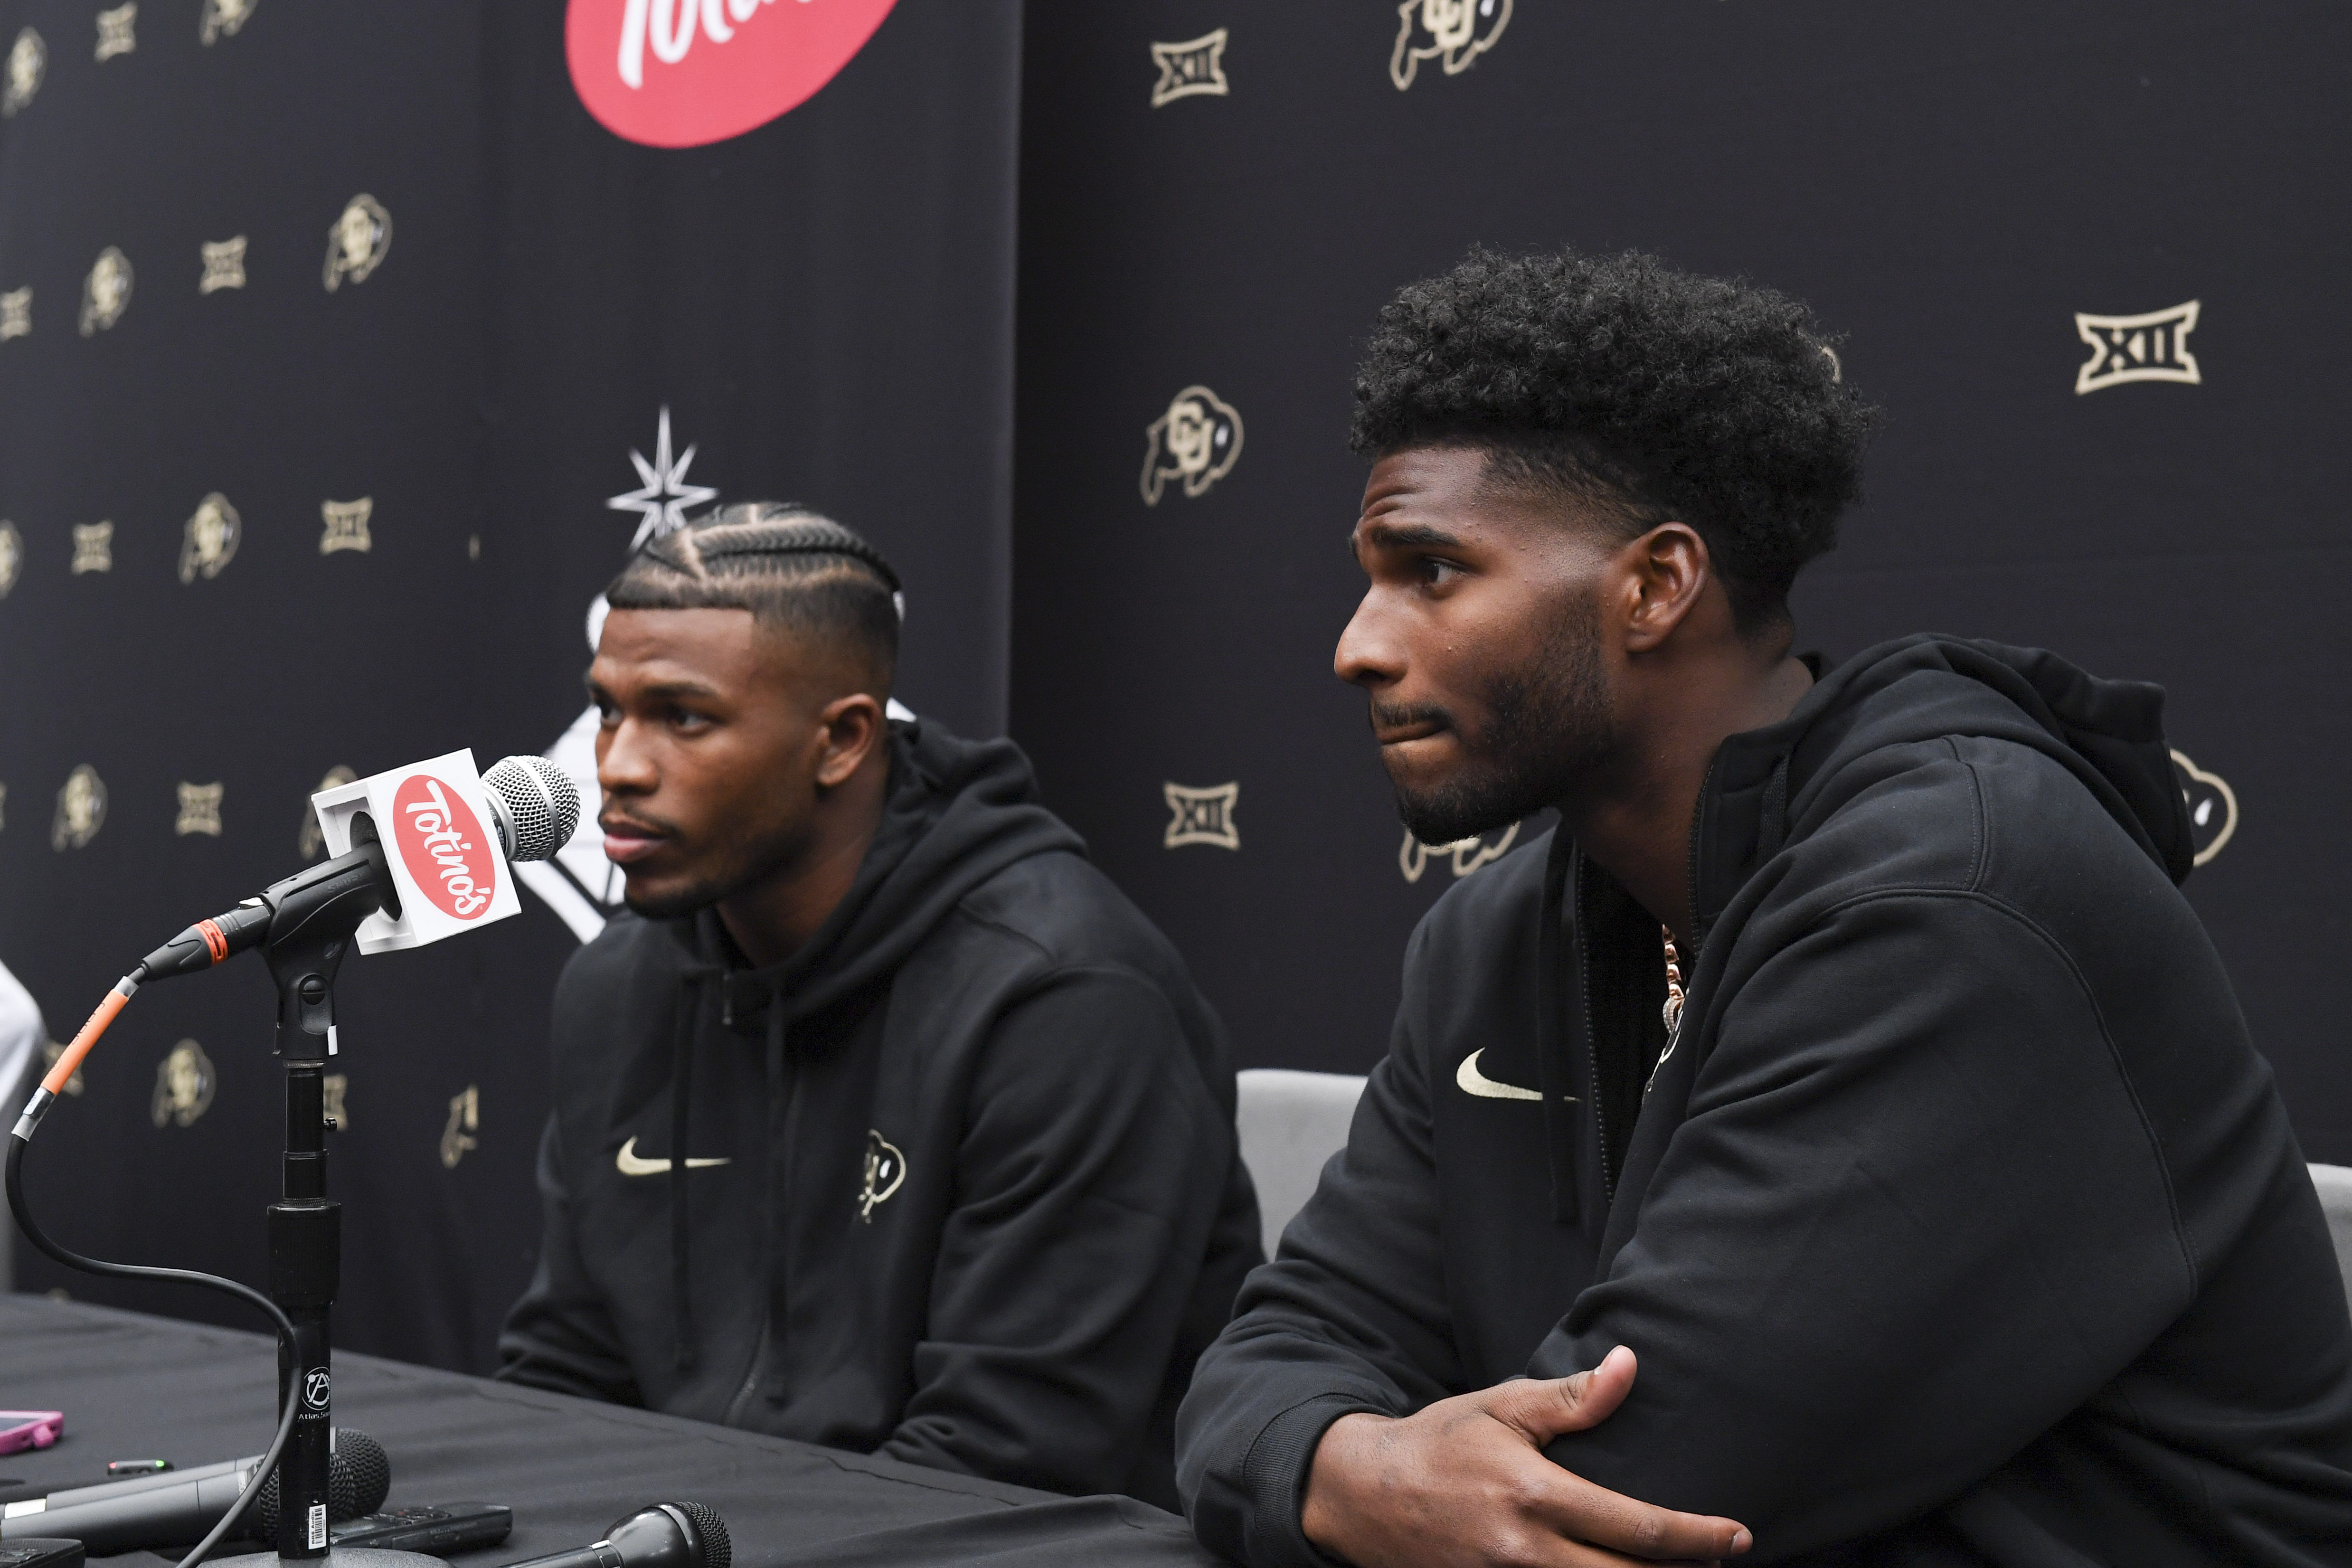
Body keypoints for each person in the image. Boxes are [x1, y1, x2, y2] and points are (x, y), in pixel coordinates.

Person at [1174, 249, 2352, 1566]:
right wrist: (1342, 1460)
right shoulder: (1497, 934)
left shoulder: (1955, 897)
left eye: (1430, 571)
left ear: (1656, 585)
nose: (1359, 642)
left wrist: (1341, 1474)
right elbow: (1266, 1363)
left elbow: (1637, 1493)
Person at [498, 502, 1261, 1507]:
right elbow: (565, 1381)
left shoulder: (1064, 998)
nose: (617, 765)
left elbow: (1003, 1464)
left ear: (843, 740)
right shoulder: (619, 988)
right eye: (608, 708)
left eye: (682, 716)